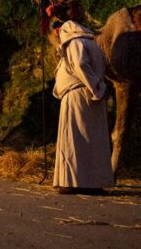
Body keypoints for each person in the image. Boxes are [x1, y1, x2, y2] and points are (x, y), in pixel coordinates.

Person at [51, 15, 114, 195]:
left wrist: (95, 88)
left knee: (74, 140)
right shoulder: (92, 44)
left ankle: (72, 182)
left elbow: (80, 65)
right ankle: (92, 182)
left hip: (78, 95)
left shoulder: (75, 43)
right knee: (92, 140)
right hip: (88, 93)